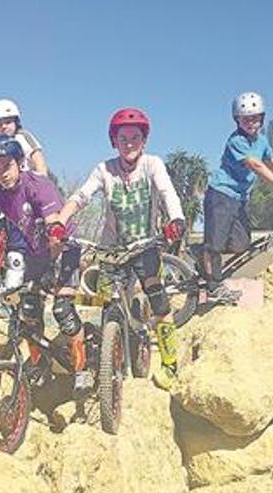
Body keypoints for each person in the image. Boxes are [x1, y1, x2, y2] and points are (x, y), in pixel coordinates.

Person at [54, 108, 186, 390]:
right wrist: (60, 221)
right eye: (123, 138)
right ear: (114, 141)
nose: (129, 143)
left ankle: (170, 364)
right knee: (103, 304)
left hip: (145, 246)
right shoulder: (104, 169)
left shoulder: (152, 165)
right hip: (110, 250)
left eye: (135, 137)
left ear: (144, 140)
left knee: (161, 303)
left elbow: (167, 192)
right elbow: (82, 196)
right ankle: (104, 359)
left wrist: (176, 219)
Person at [0, 134, 91, 396]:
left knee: (62, 310)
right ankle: (39, 364)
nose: (2, 173)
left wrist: (48, 270)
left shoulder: (39, 186)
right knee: (27, 311)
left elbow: (54, 227)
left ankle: (82, 369)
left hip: (63, 246)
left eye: (7, 165)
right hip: (37, 252)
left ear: (19, 162)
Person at [201, 92, 273, 301]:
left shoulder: (262, 140)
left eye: (255, 118)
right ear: (237, 120)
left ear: (262, 117)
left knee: (242, 246)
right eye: (246, 119)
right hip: (221, 195)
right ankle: (213, 284)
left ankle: (204, 252)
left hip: (240, 199)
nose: (251, 123)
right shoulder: (236, 141)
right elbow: (255, 164)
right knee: (215, 245)